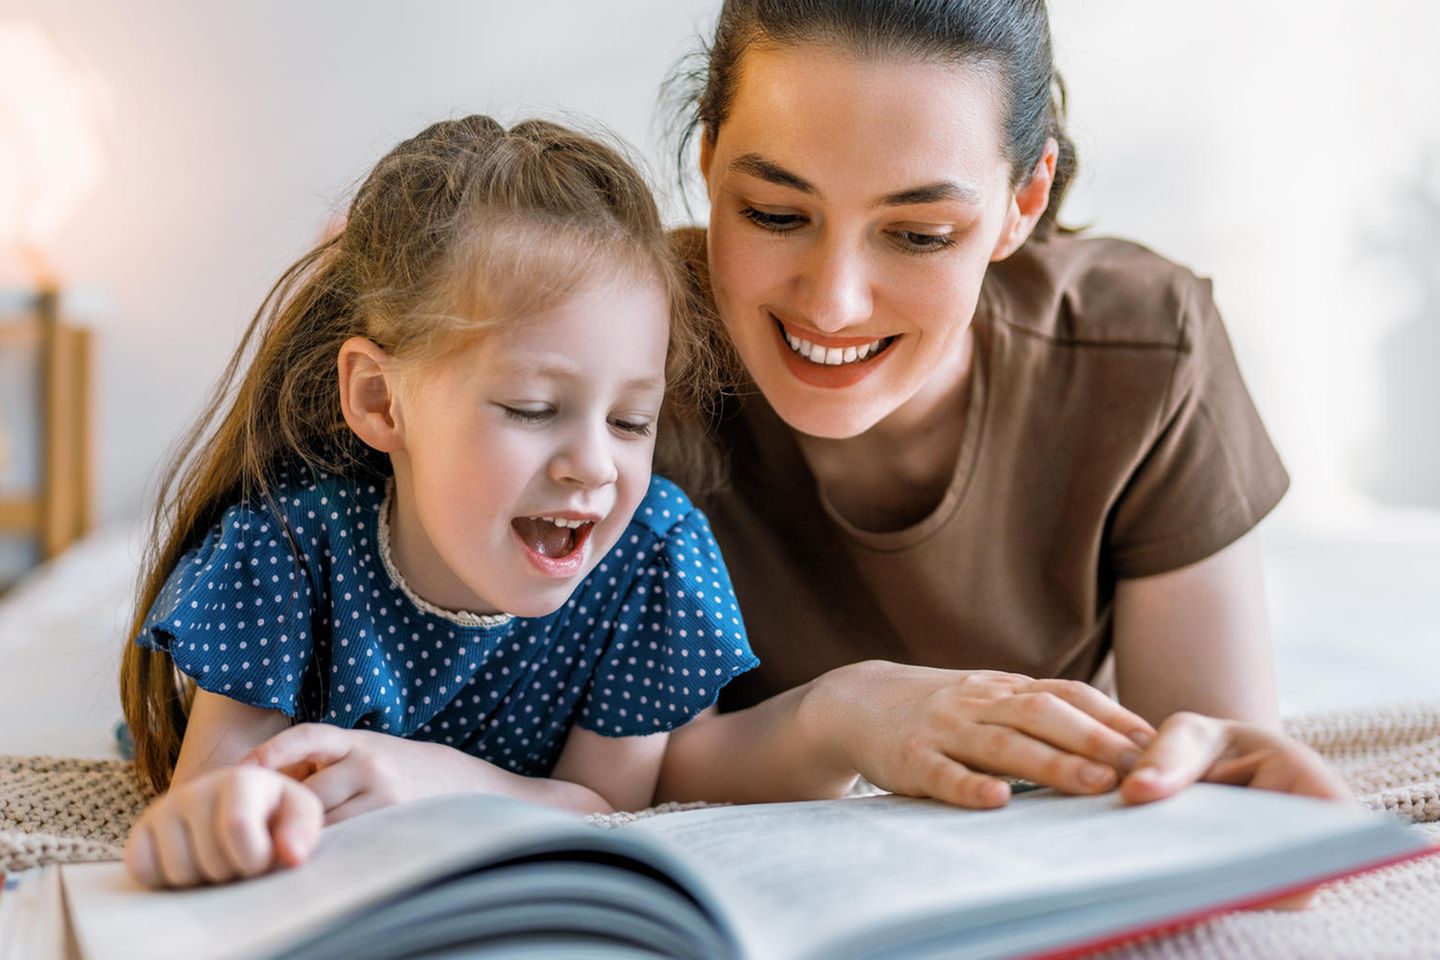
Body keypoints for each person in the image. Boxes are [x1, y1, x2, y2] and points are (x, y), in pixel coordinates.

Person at [651, 0, 1348, 813]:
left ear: (1024, 201)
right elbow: (629, 774)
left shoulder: (1145, 352)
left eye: (920, 234)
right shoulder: (623, 352)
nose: (834, 305)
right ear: (708, 161)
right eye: (775, 214)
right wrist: (838, 716)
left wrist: (1220, 781)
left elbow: (1210, 767)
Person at [118, 116, 758, 888]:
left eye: (630, 421)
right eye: (531, 408)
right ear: (379, 399)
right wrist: (226, 819)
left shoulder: (648, 560)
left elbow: (607, 807)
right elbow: (214, 795)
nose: (595, 465)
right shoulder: (286, 548)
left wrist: (430, 781)